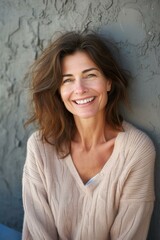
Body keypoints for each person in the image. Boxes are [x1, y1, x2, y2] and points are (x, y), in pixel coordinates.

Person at [22, 31, 155, 240]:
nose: (80, 89)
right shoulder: (40, 147)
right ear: (58, 90)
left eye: (90, 75)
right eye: (67, 80)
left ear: (108, 82)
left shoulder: (136, 150)